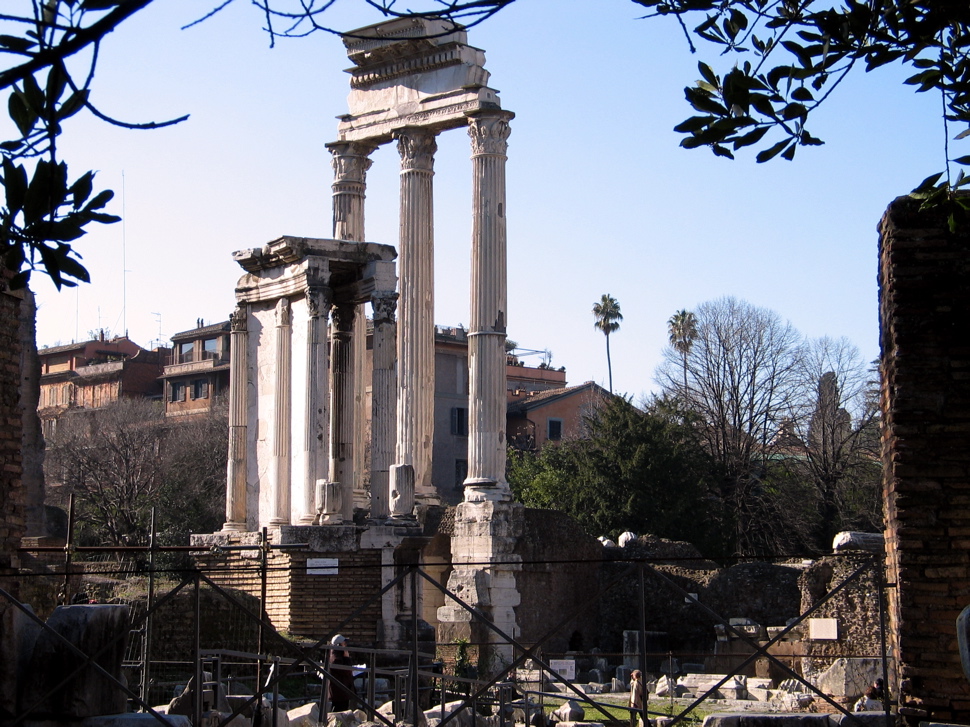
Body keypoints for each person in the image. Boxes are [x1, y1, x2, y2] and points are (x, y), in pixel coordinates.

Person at [327, 634, 356, 712]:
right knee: (338, 711)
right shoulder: (336, 658)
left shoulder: (338, 655)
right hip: (339, 691)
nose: (345, 645)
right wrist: (347, 658)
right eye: (344, 643)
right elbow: (345, 670)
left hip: (342, 690)